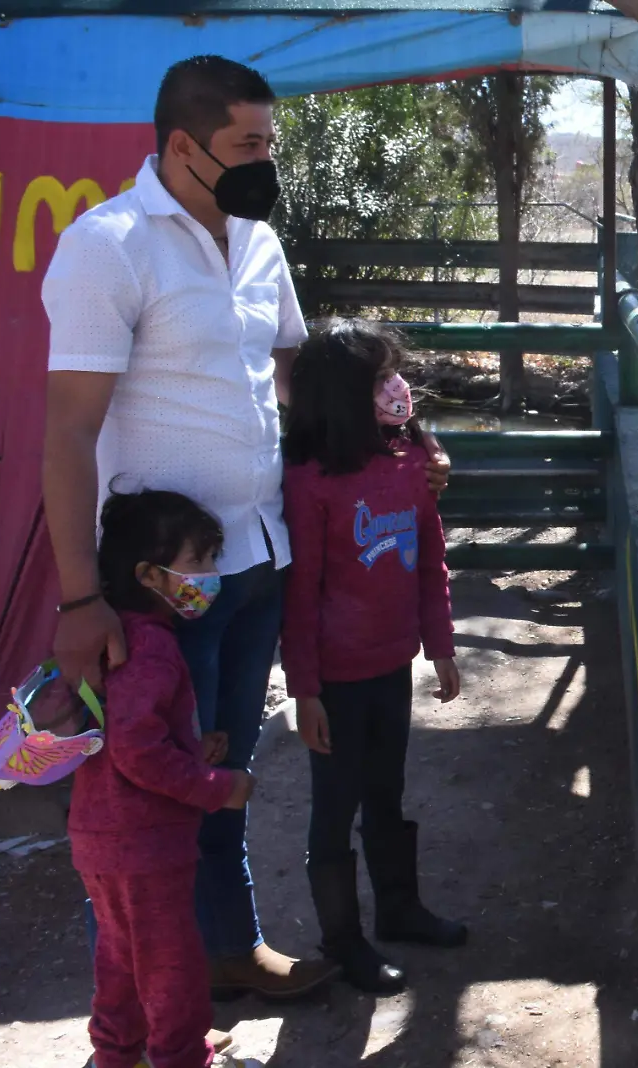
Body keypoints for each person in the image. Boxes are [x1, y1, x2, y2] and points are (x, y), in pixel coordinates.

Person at [41, 54, 453, 999]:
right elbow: (67, 431)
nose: (267, 161)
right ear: (182, 145)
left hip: (260, 560)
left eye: (271, 142)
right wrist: (77, 598)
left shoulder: (261, 245)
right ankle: (156, 980)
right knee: (157, 784)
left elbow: (303, 386)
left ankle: (226, 950)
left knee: (219, 770)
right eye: (248, 145)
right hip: (165, 584)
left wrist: (407, 449)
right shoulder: (108, 246)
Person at [280, 319, 468, 993]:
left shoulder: (413, 462)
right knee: (333, 810)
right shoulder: (309, 483)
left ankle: (399, 909)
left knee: (386, 792)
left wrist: (439, 645)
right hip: (334, 680)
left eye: (394, 371)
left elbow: (430, 561)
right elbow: (298, 594)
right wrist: (304, 689)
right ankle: (343, 942)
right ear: (340, 396)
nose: (396, 387)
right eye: (377, 377)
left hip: (393, 667)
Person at [71, 489, 256, 1068]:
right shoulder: (151, 647)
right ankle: (180, 1056)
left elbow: (127, 735)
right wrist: (217, 787)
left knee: (122, 958)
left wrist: (192, 748)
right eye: (198, 562)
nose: (209, 576)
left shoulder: (114, 637)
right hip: (146, 844)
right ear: (150, 574)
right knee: (172, 962)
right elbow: (138, 754)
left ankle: (117, 1054)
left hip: (101, 836)